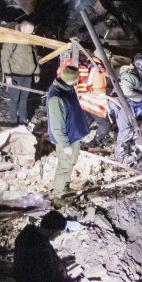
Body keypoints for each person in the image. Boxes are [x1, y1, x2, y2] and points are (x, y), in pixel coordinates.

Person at [46, 66, 88, 201]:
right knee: (64, 166)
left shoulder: (67, 89)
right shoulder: (57, 97)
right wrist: (65, 144)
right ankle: (58, 196)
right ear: (74, 79)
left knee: (70, 162)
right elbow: (57, 126)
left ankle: (65, 188)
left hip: (72, 134)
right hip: (66, 138)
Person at [0, 21, 41, 127]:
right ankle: (13, 122)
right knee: (14, 99)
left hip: (28, 76)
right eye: (29, 31)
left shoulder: (30, 40)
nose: (31, 34)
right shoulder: (12, 39)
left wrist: (36, 72)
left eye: (32, 31)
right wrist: (8, 76)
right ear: (22, 29)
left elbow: (34, 57)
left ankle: (23, 120)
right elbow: (5, 58)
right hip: (15, 75)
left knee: (24, 99)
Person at [76, 59, 112, 145]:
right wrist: (107, 108)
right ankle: (95, 142)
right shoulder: (100, 71)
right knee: (105, 123)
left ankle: (76, 137)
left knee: (88, 118)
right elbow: (99, 92)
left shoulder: (89, 66)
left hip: (83, 102)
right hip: (93, 103)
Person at [118, 54, 142, 118]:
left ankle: (140, 116)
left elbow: (141, 86)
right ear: (139, 66)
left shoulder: (139, 74)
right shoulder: (128, 76)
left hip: (134, 98)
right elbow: (127, 92)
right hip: (127, 101)